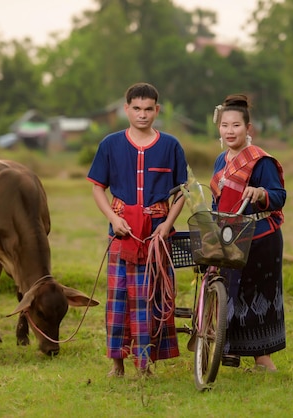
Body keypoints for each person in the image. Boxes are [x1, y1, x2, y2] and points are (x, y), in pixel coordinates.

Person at [87, 82, 188, 377]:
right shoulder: (110, 144)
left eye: (148, 109)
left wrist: (167, 224)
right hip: (122, 231)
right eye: (136, 109)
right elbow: (97, 187)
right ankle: (117, 363)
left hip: (157, 233)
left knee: (151, 297)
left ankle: (145, 365)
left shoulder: (170, 145)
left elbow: (181, 192)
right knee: (118, 298)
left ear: (157, 110)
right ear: (126, 109)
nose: (142, 115)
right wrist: (113, 218)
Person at [209, 94, 286, 371]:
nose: (230, 131)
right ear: (219, 128)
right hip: (230, 237)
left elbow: (279, 196)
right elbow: (217, 200)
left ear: (248, 128)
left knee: (256, 295)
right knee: (231, 292)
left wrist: (261, 192)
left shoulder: (260, 161)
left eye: (236, 126)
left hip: (260, 237)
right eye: (225, 125)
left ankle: (263, 360)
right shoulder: (221, 160)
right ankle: (229, 351)